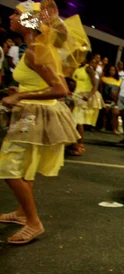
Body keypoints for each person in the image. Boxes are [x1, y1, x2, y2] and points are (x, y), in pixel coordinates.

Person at [0, 0, 89, 244]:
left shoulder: (35, 50)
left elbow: (61, 89)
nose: (10, 16)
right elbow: (48, 80)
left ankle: (34, 222)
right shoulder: (38, 46)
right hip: (32, 113)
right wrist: (20, 88)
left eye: (16, 14)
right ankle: (21, 213)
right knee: (25, 166)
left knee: (6, 167)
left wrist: (21, 95)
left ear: (29, 22)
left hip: (32, 115)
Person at [70, 52, 103, 155]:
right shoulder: (77, 68)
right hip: (74, 95)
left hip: (83, 96)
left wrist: (88, 96)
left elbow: (95, 86)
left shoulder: (88, 69)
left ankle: (80, 144)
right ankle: (73, 143)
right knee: (72, 120)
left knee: (78, 120)